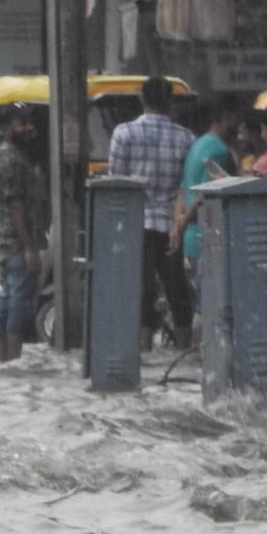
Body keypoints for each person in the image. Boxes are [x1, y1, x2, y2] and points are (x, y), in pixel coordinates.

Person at [106, 76, 195, 351]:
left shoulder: (124, 133)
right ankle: (183, 350)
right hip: (172, 227)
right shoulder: (186, 138)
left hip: (136, 224)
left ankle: (142, 352)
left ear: (141, 99)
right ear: (169, 102)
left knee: (141, 290)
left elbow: (116, 183)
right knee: (177, 289)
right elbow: (186, 186)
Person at [177, 94, 241, 340]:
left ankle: (199, 356)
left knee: (201, 305)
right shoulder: (219, 150)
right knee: (209, 307)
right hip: (209, 239)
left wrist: (178, 225)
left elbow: (183, 190)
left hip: (191, 239)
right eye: (235, 119)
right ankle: (204, 357)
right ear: (224, 118)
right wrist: (183, 222)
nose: (238, 125)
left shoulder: (197, 145)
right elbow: (205, 193)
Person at [0, 102, 48, 363]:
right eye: (21, 124)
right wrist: (29, 247)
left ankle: (6, 361)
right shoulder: (12, 161)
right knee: (17, 300)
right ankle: (12, 358)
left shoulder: (8, 158)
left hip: (7, 241)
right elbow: (16, 206)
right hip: (17, 243)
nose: (28, 128)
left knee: (8, 297)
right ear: (6, 128)